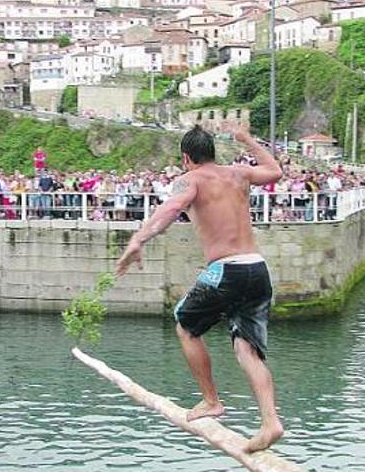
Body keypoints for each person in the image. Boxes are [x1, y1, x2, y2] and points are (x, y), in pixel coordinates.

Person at [115, 126, 285, 453]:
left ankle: (211, 400)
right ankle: (270, 422)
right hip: (257, 269)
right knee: (246, 350)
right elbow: (275, 171)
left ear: (186, 157)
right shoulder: (238, 174)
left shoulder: (190, 179)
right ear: (213, 152)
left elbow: (170, 209)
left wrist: (138, 239)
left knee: (185, 326)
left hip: (227, 270)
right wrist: (248, 140)